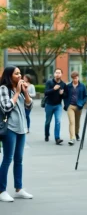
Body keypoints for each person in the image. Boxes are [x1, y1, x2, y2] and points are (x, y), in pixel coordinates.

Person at [0, 66, 33, 202]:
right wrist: (16, 92)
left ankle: (18, 189)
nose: (20, 76)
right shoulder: (3, 89)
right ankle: (1, 190)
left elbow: (29, 106)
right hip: (10, 129)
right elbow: (6, 107)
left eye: (20, 73)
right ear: (9, 75)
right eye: (16, 73)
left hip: (21, 128)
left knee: (19, 160)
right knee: (7, 159)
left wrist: (24, 93)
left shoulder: (19, 89)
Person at [64, 71, 87, 146]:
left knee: (77, 122)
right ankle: (72, 138)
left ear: (78, 77)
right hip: (70, 106)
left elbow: (86, 96)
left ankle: (76, 133)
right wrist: (66, 104)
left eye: (76, 78)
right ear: (72, 78)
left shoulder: (82, 86)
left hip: (79, 106)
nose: (75, 79)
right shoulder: (68, 86)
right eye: (74, 78)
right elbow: (65, 96)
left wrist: (82, 103)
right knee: (72, 122)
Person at [44, 68, 67, 145]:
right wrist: (53, 89)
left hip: (58, 105)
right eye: (56, 73)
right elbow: (46, 93)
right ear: (54, 74)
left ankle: (57, 138)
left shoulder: (63, 84)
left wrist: (62, 94)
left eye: (59, 73)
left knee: (58, 121)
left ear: (61, 74)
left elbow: (65, 96)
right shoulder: (49, 82)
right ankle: (46, 135)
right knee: (48, 122)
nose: (57, 74)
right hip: (49, 105)